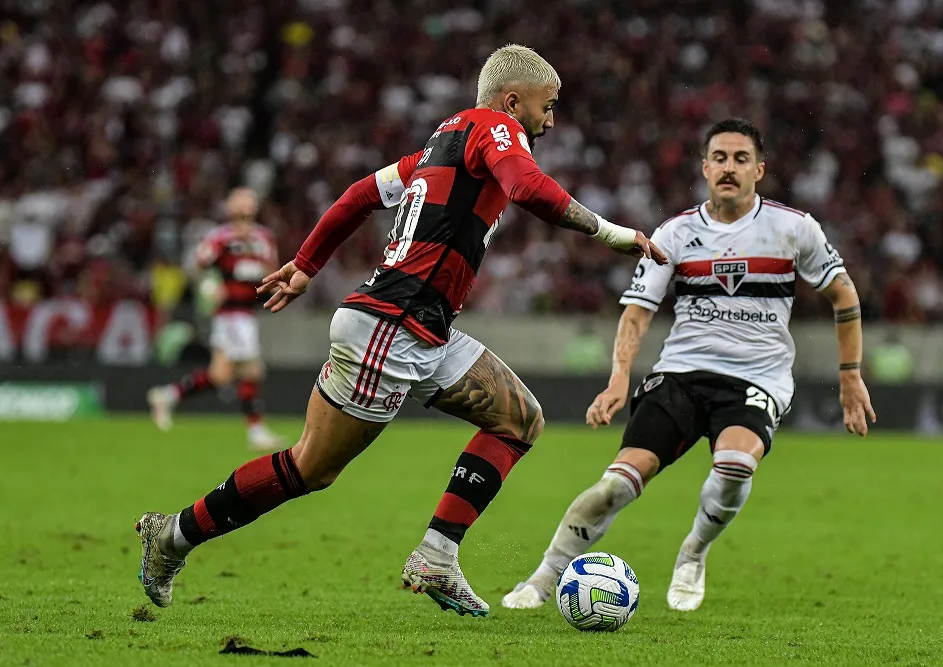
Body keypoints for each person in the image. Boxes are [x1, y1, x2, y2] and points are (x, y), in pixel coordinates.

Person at [134, 45, 666, 618]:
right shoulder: (492, 126)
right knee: (312, 467)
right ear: (514, 101)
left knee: (519, 419)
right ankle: (173, 537)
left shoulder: (442, 145)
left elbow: (361, 195)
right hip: (391, 325)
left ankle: (437, 554)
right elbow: (528, 188)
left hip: (423, 326)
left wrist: (308, 264)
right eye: (548, 106)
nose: (551, 120)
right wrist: (613, 233)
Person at [501, 118, 877, 613]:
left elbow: (843, 295)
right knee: (616, 484)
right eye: (719, 157)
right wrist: (619, 378)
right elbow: (638, 310)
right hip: (682, 373)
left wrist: (850, 376)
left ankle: (693, 552)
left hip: (756, 378)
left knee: (735, 463)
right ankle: (542, 578)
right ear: (704, 168)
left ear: (760, 170)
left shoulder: (793, 229)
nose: (729, 167)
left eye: (741, 159)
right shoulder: (675, 233)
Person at [146, 188, 285, 451]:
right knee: (252, 370)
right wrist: (209, 285)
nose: (245, 204)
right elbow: (196, 267)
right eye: (240, 199)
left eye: (249, 199)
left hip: (248, 311)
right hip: (230, 313)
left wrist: (270, 284)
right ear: (230, 206)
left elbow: (271, 271)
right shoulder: (220, 238)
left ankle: (167, 396)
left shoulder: (263, 238)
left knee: (220, 376)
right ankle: (256, 431)